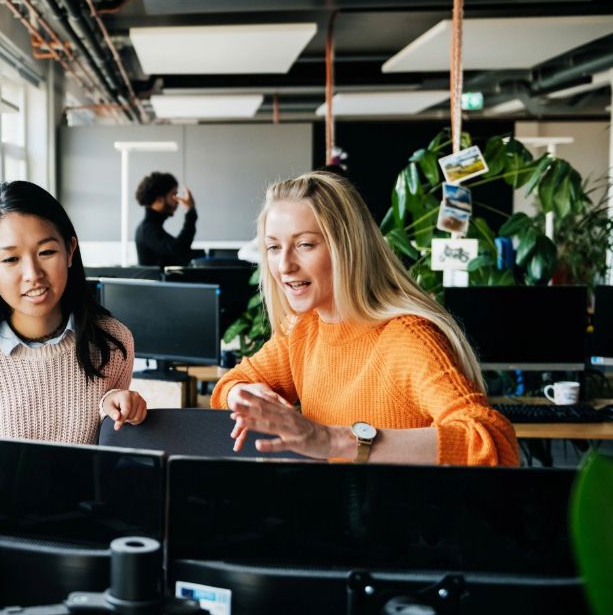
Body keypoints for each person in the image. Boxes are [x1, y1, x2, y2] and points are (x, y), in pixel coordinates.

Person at [210, 171, 519, 467]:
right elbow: (228, 386)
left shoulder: (407, 337)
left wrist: (334, 440)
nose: (285, 265)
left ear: (347, 248)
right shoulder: (303, 330)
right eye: (274, 247)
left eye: (305, 244)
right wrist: (248, 395)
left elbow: (492, 441)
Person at [0, 181, 147, 444]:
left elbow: (105, 449)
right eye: (11, 259)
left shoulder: (111, 343)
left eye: (46, 252)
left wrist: (121, 408)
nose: (33, 275)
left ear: (70, 251)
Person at [134, 171, 198, 266]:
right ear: (159, 199)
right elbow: (179, 249)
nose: (177, 201)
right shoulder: (147, 230)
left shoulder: (150, 227)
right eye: (174, 195)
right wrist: (190, 212)